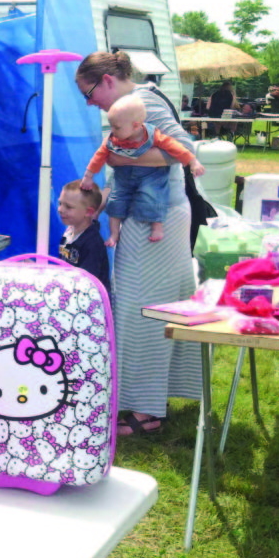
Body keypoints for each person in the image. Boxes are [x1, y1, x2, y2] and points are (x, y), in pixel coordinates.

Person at [75, 50, 201, 436]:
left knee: (139, 311)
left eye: (89, 93)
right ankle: (152, 400)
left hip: (154, 223)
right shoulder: (143, 101)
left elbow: (183, 151)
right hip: (158, 216)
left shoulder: (142, 104)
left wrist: (117, 160)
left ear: (107, 81)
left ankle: (144, 410)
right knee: (156, 309)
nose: (90, 102)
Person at [81, 94, 205, 245]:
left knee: (153, 196)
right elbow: (99, 156)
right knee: (115, 203)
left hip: (150, 175)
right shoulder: (113, 138)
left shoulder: (153, 135)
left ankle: (157, 227)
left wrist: (192, 161)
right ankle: (114, 235)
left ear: (135, 125)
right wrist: (88, 176)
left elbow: (175, 147)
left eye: (117, 127)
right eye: (111, 125)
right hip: (124, 177)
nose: (112, 130)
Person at [57, 180, 110, 301]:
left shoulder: (93, 243)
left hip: (89, 304)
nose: (60, 209)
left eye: (68, 207)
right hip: (71, 296)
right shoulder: (68, 234)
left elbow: (87, 281)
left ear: (89, 212)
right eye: (60, 203)